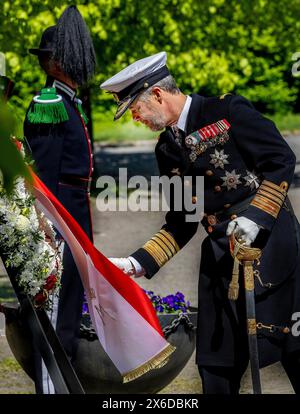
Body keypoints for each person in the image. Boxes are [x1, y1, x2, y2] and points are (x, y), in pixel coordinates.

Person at [100, 51, 300, 394]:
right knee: (215, 366)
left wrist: (256, 218)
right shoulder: (166, 150)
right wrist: (137, 263)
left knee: (295, 352)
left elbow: (281, 159)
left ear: (158, 95)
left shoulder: (228, 111)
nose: (136, 119)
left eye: (136, 110)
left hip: (272, 252)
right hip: (221, 264)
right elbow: (180, 221)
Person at [24, 5, 96, 393]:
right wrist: (50, 236)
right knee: (55, 323)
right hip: (59, 224)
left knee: (68, 318)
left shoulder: (68, 102)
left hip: (75, 221)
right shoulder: (49, 105)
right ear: (54, 64)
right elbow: (45, 181)